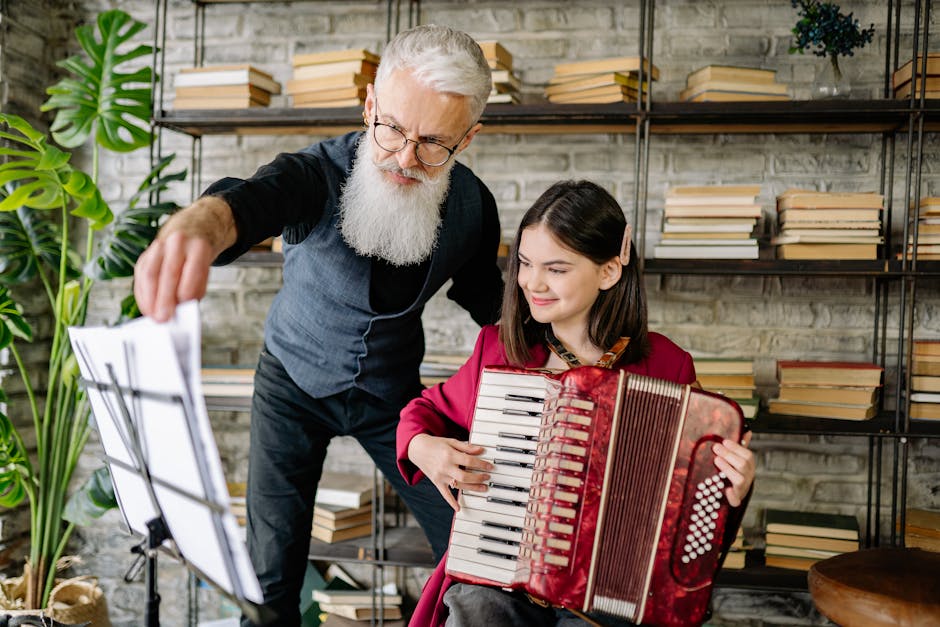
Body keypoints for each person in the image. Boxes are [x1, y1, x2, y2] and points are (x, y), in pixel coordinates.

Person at [133, 25, 504, 626]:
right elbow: (249, 201)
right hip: (292, 384)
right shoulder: (316, 173)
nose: (405, 158)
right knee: (270, 584)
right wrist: (198, 224)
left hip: (394, 399)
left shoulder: (473, 207)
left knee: (474, 546)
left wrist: (570, 333)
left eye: (434, 143)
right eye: (392, 128)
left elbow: (490, 300)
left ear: (468, 137)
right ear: (369, 105)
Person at [396, 180, 756, 626]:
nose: (533, 282)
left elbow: (697, 510)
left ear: (609, 271)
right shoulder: (500, 350)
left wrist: (731, 490)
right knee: (476, 613)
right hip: (502, 577)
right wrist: (423, 447)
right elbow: (423, 413)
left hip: (610, 594)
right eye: (525, 263)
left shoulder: (667, 365)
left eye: (556, 269)